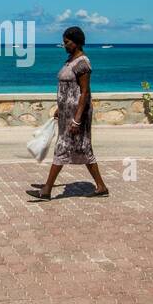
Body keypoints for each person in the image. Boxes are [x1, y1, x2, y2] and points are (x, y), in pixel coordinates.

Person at [28, 26, 108, 200]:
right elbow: (68, 89)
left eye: (67, 42)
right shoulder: (70, 60)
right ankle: (101, 186)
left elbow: (85, 92)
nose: (64, 45)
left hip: (77, 115)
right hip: (67, 113)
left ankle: (46, 190)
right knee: (83, 149)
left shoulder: (82, 63)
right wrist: (60, 108)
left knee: (63, 147)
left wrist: (77, 119)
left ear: (77, 42)